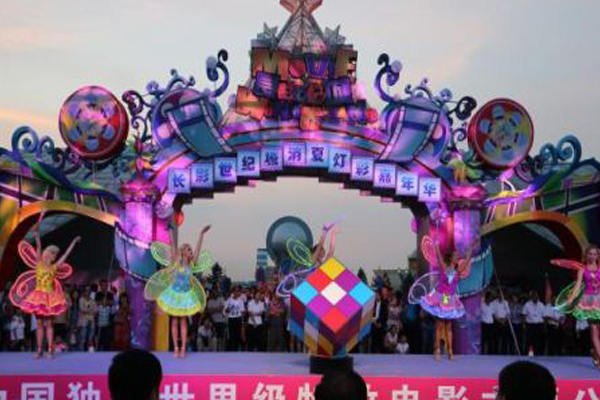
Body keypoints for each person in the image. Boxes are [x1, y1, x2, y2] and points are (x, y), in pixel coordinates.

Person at [9, 212, 80, 358]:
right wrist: (36, 234)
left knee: (49, 323)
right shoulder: (39, 264)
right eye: (52, 253)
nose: (53, 256)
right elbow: (39, 245)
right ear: (46, 253)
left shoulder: (54, 267)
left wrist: (73, 242)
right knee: (40, 324)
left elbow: (66, 255)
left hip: (50, 297)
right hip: (37, 296)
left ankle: (49, 349)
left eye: (54, 254)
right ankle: (39, 349)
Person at [145, 222, 212, 358]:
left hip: (186, 295)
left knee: (183, 320)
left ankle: (183, 348)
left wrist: (201, 234)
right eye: (189, 250)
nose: (191, 251)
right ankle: (176, 347)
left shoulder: (191, 264)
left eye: (191, 250)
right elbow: (172, 246)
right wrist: (170, 232)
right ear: (183, 252)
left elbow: (198, 249)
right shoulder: (176, 261)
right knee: (175, 320)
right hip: (174, 294)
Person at [420, 238, 476, 360]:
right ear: (450, 258)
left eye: (457, 256)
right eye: (455, 256)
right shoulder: (444, 268)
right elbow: (439, 257)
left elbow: (467, 260)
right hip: (442, 297)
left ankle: (450, 351)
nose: (457, 257)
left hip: (449, 299)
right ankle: (437, 350)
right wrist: (436, 246)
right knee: (440, 325)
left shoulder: (458, 271)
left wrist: (470, 249)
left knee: (449, 326)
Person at [561, 245, 600, 366]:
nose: (592, 256)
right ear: (586, 255)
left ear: (598, 256)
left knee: (598, 331)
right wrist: (571, 298)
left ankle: (595, 352)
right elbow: (578, 285)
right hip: (589, 301)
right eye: (590, 254)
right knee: (593, 330)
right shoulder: (582, 269)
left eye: (595, 254)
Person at [522, 291, 545, 356]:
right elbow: (524, 315)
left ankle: (538, 354)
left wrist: (544, 326)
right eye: (534, 296)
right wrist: (524, 324)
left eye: (536, 296)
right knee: (529, 340)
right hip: (530, 325)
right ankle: (527, 354)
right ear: (531, 297)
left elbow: (544, 316)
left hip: (539, 325)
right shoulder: (527, 304)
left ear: (538, 297)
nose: (535, 297)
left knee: (538, 341)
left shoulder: (541, 304)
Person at [224, 286, 245, 351]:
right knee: (232, 336)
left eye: (238, 291)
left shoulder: (240, 301)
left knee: (238, 336)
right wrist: (229, 308)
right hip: (231, 319)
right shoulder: (229, 300)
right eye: (235, 291)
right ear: (233, 292)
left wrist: (242, 322)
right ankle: (232, 351)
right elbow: (225, 311)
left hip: (238, 319)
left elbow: (242, 312)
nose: (237, 292)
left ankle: (237, 350)